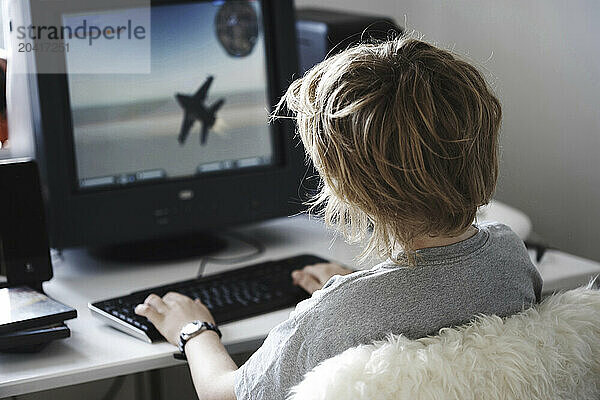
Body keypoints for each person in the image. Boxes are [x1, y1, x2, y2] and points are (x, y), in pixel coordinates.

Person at [135, 37, 542, 400]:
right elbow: (437, 297)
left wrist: (193, 331)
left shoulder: (335, 315)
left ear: (347, 188)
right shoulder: (509, 254)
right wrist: (361, 285)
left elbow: (223, 394)